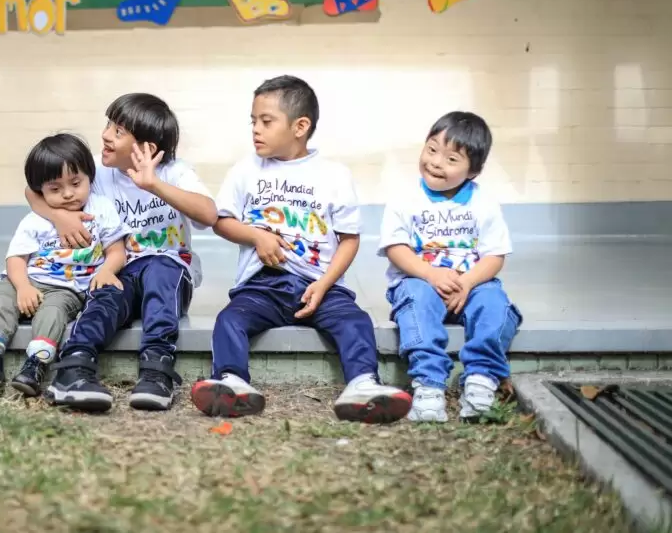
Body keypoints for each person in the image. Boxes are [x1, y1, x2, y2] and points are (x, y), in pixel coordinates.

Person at [192, 76, 411, 422]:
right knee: (230, 320)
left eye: (266, 121)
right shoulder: (246, 169)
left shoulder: (333, 175)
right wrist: (256, 237)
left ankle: (363, 384)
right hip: (262, 285)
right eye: (253, 121)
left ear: (300, 126)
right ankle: (232, 380)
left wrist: (324, 285)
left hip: (318, 286)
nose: (256, 130)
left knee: (355, 321)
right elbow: (222, 221)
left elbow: (349, 239)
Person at [27, 93, 217, 412]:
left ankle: (156, 370)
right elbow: (32, 191)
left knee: (160, 267)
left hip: (169, 275)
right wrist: (59, 216)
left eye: (118, 132)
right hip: (119, 270)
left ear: (148, 149)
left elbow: (208, 214)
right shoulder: (100, 175)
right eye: (108, 124)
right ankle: (74, 367)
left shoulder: (175, 172)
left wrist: (153, 184)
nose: (105, 135)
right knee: (105, 292)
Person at [378, 111, 521, 422]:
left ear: (473, 171)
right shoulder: (405, 199)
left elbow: (494, 256)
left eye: (451, 159)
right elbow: (395, 248)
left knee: (494, 302)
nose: (436, 162)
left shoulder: (483, 203)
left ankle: (481, 378)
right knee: (415, 298)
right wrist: (430, 274)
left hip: (469, 284)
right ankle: (428, 385)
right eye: (431, 149)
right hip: (419, 280)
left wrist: (468, 282)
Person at [0, 133, 129, 397]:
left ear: (89, 176)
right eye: (55, 189)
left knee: (53, 313)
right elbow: (15, 259)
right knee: (1, 303)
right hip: (27, 278)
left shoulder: (101, 208)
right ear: (40, 191)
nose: (68, 194)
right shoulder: (36, 218)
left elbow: (117, 251)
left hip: (66, 287)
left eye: (76, 183)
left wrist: (105, 270)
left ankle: (35, 365)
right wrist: (22, 287)